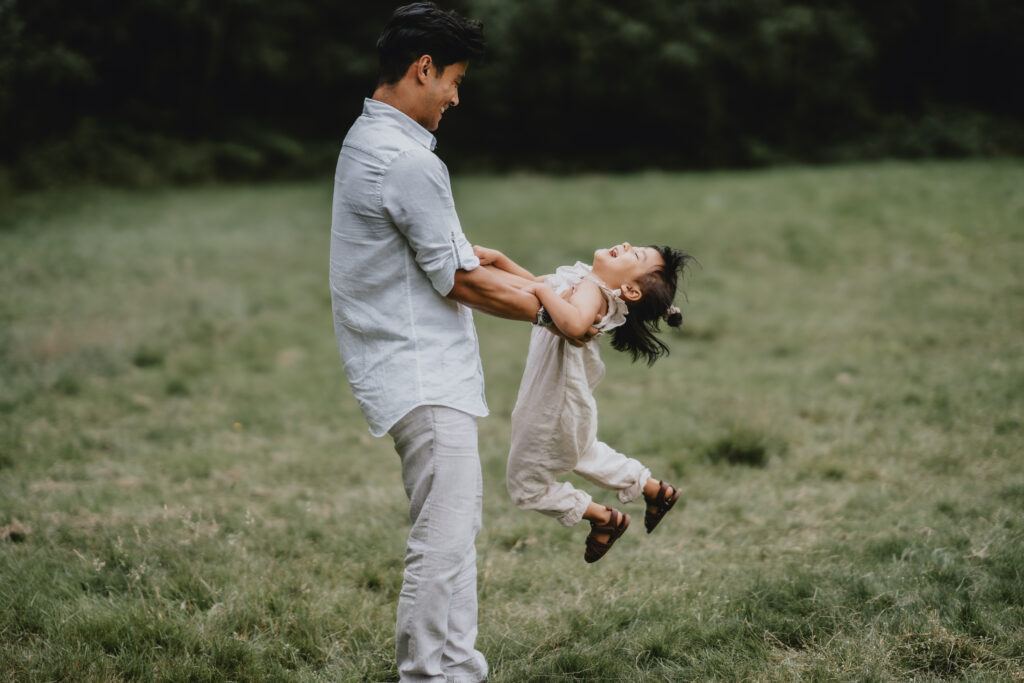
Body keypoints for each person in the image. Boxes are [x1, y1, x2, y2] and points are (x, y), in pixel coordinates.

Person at [329, 3, 596, 681]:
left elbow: (453, 261)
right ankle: (429, 674)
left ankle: (457, 668)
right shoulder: (404, 161)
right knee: (442, 541)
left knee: (455, 535)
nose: (456, 94)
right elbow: (460, 282)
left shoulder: (372, 140)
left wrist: (532, 287)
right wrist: (555, 309)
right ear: (423, 69)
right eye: (453, 78)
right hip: (419, 370)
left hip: (408, 365)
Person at [473, 241, 693, 562]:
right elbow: (532, 284)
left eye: (637, 255)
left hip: (553, 408)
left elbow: (571, 322)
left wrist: (542, 293)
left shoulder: (593, 290)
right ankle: (652, 489)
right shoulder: (588, 282)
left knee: (527, 487)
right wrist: (502, 262)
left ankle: (605, 518)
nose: (628, 245)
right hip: (568, 403)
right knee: (584, 453)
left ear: (630, 290)